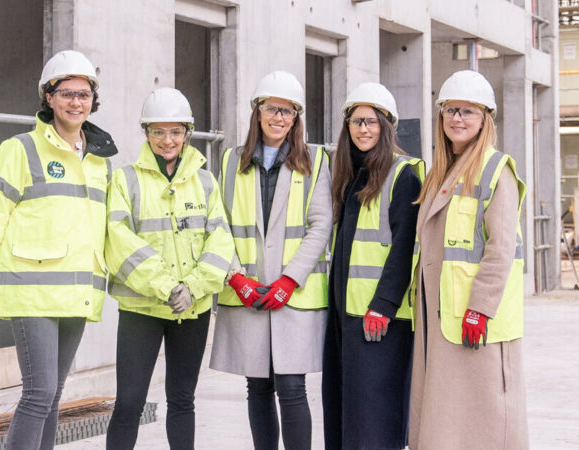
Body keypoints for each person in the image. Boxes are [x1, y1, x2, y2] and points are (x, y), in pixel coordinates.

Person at [0, 50, 117, 450]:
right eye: (66, 92)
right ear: (48, 98)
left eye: (83, 94)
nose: (76, 102)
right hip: (30, 292)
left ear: (93, 100)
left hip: (76, 294)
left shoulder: (99, 161)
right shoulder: (20, 149)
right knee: (37, 395)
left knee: (53, 395)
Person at [104, 87, 234, 450]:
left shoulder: (205, 181)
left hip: (192, 308)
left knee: (182, 401)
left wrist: (193, 287)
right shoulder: (126, 180)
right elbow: (118, 242)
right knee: (128, 404)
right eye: (158, 132)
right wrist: (166, 287)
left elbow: (220, 239)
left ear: (187, 134)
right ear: (146, 133)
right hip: (141, 310)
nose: (167, 140)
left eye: (175, 132)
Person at [210, 70, 332, 450]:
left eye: (288, 111)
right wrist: (235, 278)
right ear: (257, 111)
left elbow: (321, 225)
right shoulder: (232, 161)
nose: (279, 117)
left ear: (296, 118)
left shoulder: (315, 161)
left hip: (293, 296)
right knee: (257, 386)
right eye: (272, 108)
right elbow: (219, 224)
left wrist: (289, 280)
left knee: (292, 387)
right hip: (248, 292)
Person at [408, 70, 529, 449]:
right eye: (450, 110)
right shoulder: (442, 171)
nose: (457, 119)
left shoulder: (496, 170)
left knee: (483, 420)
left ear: (484, 119)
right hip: (442, 314)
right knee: (447, 421)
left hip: (475, 319)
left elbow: (501, 249)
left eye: (468, 111)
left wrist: (480, 308)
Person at [321, 82, 423, 449]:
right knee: (345, 410)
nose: (363, 129)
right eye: (356, 121)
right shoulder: (350, 175)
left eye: (372, 121)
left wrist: (383, 305)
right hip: (345, 315)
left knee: (374, 417)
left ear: (387, 126)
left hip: (380, 321)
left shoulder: (404, 174)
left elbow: (406, 247)